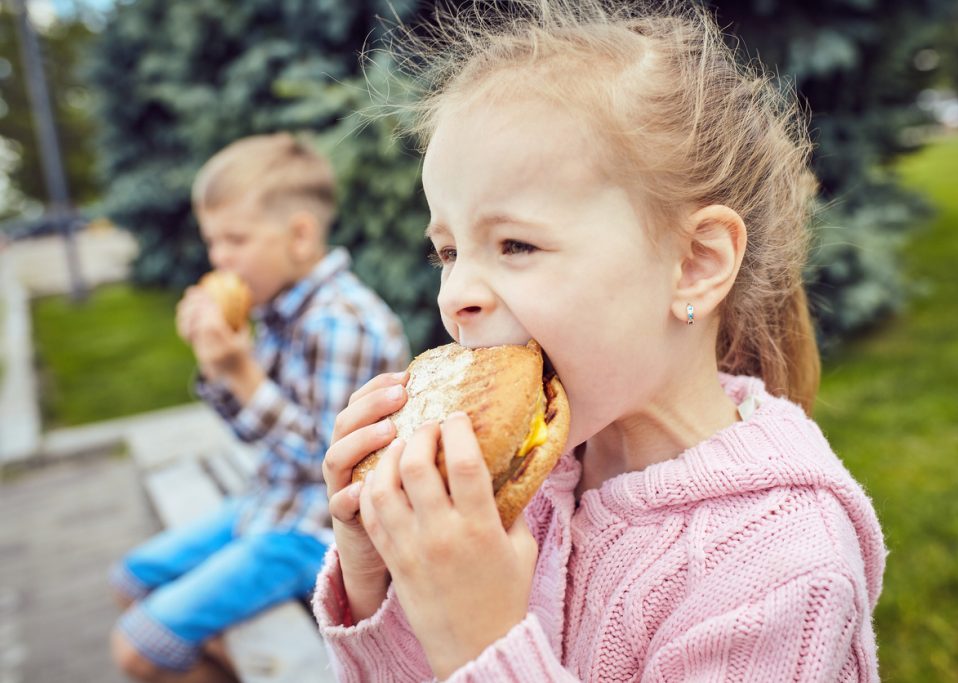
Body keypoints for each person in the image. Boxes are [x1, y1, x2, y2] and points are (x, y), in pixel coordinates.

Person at [316, 1, 887, 681]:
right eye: (447, 251)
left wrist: (482, 649)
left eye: (515, 243)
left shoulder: (783, 568)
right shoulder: (525, 481)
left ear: (696, 264)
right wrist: (376, 576)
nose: (453, 296)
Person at [108, 133, 410, 683]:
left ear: (299, 235)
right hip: (271, 498)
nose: (219, 259)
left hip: (316, 533)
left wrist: (243, 374)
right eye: (212, 242)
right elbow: (257, 435)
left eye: (234, 240)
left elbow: (333, 466)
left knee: (136, 650)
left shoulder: (337, 320)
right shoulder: (277, 308)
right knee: (130, 578)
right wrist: (218, 367)